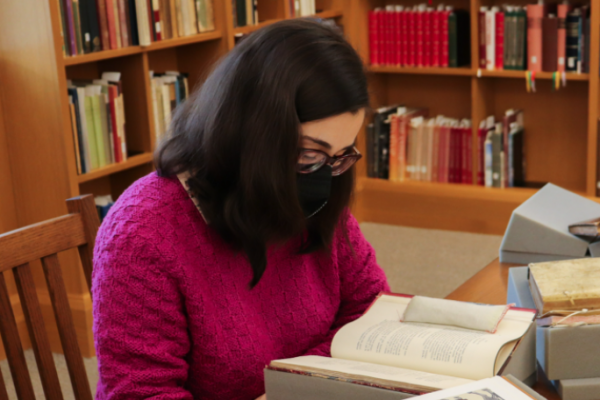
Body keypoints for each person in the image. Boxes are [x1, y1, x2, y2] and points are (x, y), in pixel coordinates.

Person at [92, 19, 389, 400]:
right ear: (251, 132)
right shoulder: (141, 231)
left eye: (339, 155)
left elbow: (371, 311)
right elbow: (143, 393)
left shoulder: (316, 189)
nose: (322, 175)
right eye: (309, 153)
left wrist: (293, 385)